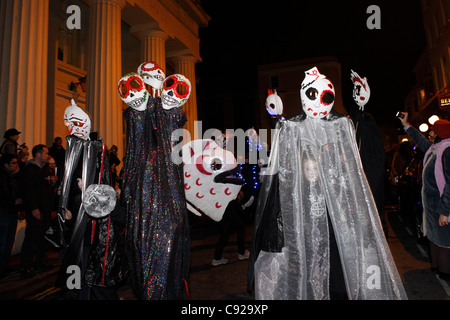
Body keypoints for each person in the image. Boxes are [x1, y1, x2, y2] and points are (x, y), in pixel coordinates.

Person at [250, 67, 407, 300]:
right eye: (310, 168)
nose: (315, 171)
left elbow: (364, 155)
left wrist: (361, 112)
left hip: (337, 240)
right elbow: (283, 158)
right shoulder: (300, 191)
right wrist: (276, 121)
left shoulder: (341, 132)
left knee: (338, 279)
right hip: (310, 245)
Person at [398, 113, 450, 280]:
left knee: (444, 240)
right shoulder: (436, 148)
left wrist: (445, 211)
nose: (431, 133)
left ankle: (446, 272)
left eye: (433, 131)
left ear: (439, 133)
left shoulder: (447, 151)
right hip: (432, 203)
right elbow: (420, 141)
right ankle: (438, 268)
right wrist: (406, 125)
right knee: (434, 238)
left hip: (442, 203)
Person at [19, 144, 51, 279]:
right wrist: (34, 208)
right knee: (31, 237)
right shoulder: (30, 170)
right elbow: (29, 191)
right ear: (38, 154)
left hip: (45, 208)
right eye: (45, 153)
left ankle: (39, 262)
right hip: (36, 209)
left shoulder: (43, 170)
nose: (47, 156)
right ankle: (26, 266)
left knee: (42, 236)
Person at [212, 190, 252, 266]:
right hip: (228, 207)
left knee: (225, 233)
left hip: (224, 207)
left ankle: (217, 258)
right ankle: (241, 253)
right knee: (239, 228)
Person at [0, 154, 23, 278]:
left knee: (9, 242)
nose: (16, 165)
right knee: (3, 243)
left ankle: (3, 267)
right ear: (6, 165)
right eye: (13, 163)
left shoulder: (12, 177)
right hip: (4, 213)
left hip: (11, 212)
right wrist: (13, 202)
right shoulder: (3, 178)